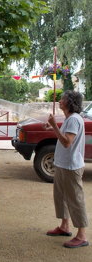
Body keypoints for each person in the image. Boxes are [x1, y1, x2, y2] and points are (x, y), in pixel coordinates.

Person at [45, 90, 89, 248]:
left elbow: (67, 142)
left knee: (75, 199)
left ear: (70, 102)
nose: (60, 101)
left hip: (71, 166)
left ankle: (82, 236)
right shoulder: (71, 119)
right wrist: (54, 128)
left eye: (63, 99)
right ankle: (64, 226)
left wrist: (54, 126)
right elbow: (66, 138)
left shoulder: (73, 119)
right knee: (62, 197)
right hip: (64, 164)